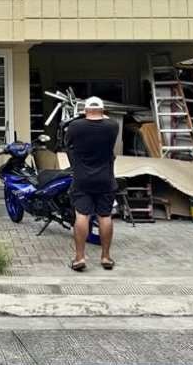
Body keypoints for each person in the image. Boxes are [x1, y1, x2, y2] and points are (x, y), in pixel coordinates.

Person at [62, 96, 119, 272]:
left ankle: (79, 257)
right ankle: (106, 257)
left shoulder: (75, 126)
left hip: (82, 179)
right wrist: (100, 114)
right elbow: (106, 119)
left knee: (82, 216)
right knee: (105, 216)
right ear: (102, 110)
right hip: (105, 179)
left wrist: (83, 116)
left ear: (85, 110)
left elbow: (67, 143)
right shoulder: (112, 126)